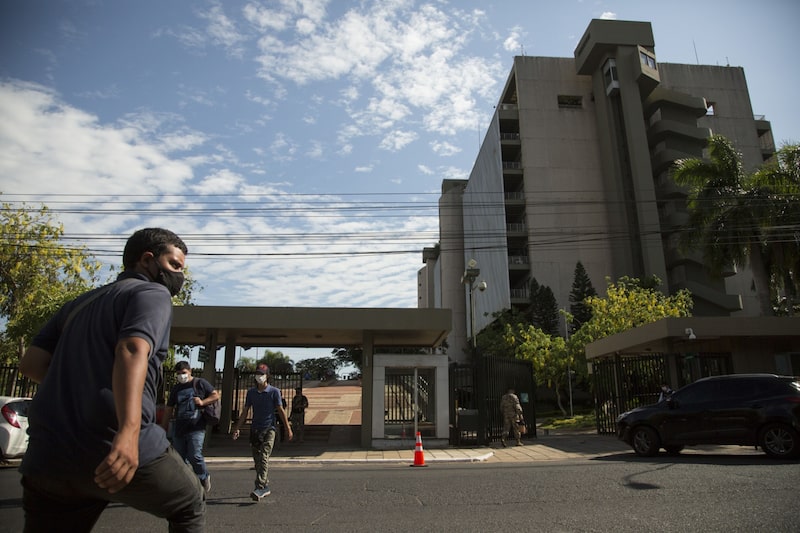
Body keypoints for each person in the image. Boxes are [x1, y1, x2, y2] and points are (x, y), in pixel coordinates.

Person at [18, 228, 205, 531]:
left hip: (47, 457)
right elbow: (131, 348)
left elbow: (31, 364)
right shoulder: (152, 293)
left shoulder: (78, 304)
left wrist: (84, 385)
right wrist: (128, 432)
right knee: (190, 503)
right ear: (147, 260)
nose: (179, 276)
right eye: (174, 265)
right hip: (112, 445)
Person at [231, 364, 292, 501]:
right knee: (257, 460)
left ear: (267, 376)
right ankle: (265, 485)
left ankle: (259, 486)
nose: (259, 376)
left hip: (269, 428)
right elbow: (245, 411)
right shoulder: (251, 393)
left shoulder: (274, 392)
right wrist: (237, 428)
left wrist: (288, 428)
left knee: (264, 456)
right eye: (257, 374)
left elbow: (280, 410)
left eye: (262, 374)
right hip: (255, 429)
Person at [161, 361, 220, 494]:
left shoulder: (200, 383)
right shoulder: (176, 389)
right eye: (178, 374)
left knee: (194, 455)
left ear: (190, 371)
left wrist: (202, 402)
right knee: (179, 459)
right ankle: (188, 484)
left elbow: (215, 395)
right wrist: (163, 428)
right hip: (180, 428)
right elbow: (169, 409)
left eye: (183, 373)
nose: (181, 376)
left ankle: (203, 476)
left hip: (196, 426)